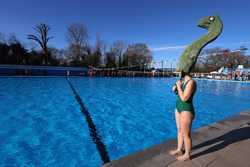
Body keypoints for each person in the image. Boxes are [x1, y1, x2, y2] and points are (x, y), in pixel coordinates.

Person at [169, 71, 196, 161]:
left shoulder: (191, 82)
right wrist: (175, 89)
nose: (178, 72)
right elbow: (178, 94)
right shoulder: (182, 80)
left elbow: (184, 98)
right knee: (179, 130)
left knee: (186, 134)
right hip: (178, 108)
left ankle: (187, 154)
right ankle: (179, 149)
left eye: (180, 71)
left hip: (186, 110)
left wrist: (179, 87)